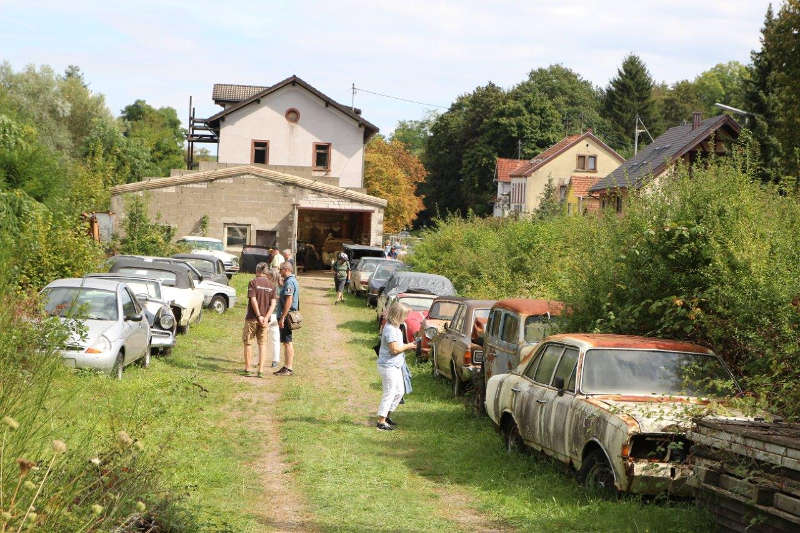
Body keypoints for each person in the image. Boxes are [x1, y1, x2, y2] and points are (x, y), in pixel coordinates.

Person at [376, 302, 417, 431]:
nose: (405, 318)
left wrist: (407, 346)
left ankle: (386, 416)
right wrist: (409, 346)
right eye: (404, 315)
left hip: (395, 365)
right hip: (388, 366)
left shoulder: (395, 327)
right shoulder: (390, 329)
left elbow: (397, 347)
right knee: (389, 393)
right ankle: (381, 422)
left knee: (399, 392)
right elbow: (394, 350)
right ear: (397, 315)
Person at [242, 262, 276, 378]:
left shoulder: (253, 282)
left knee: (248, 343)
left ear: (257, 271)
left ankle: (248, 369)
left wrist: (259, 316)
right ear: (266, 272)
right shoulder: (272, 285)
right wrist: (266, 317)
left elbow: (253, 300)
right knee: (262, 345)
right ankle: (260, 370)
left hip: (252, 318)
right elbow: (273, 304)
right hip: (265, 321)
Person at [274, 262, 299, 376]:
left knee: (287, 342)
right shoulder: (291, 281)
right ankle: (287, 366)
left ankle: (288, 368)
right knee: (287, 342)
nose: (279, 272)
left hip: (287, 316)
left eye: (281, 270)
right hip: (288, 314)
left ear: (286, 269)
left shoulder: (289, 282)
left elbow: (289, 300)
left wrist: (283, 317)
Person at [267, 267, 283, 368]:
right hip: (278, 315)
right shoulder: (282, 287)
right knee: (275, 339)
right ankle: (275, 360)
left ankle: (261, 358)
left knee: (263, 338)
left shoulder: (269, 287)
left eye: (268, 276)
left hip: (269, 314)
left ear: (272, 277)